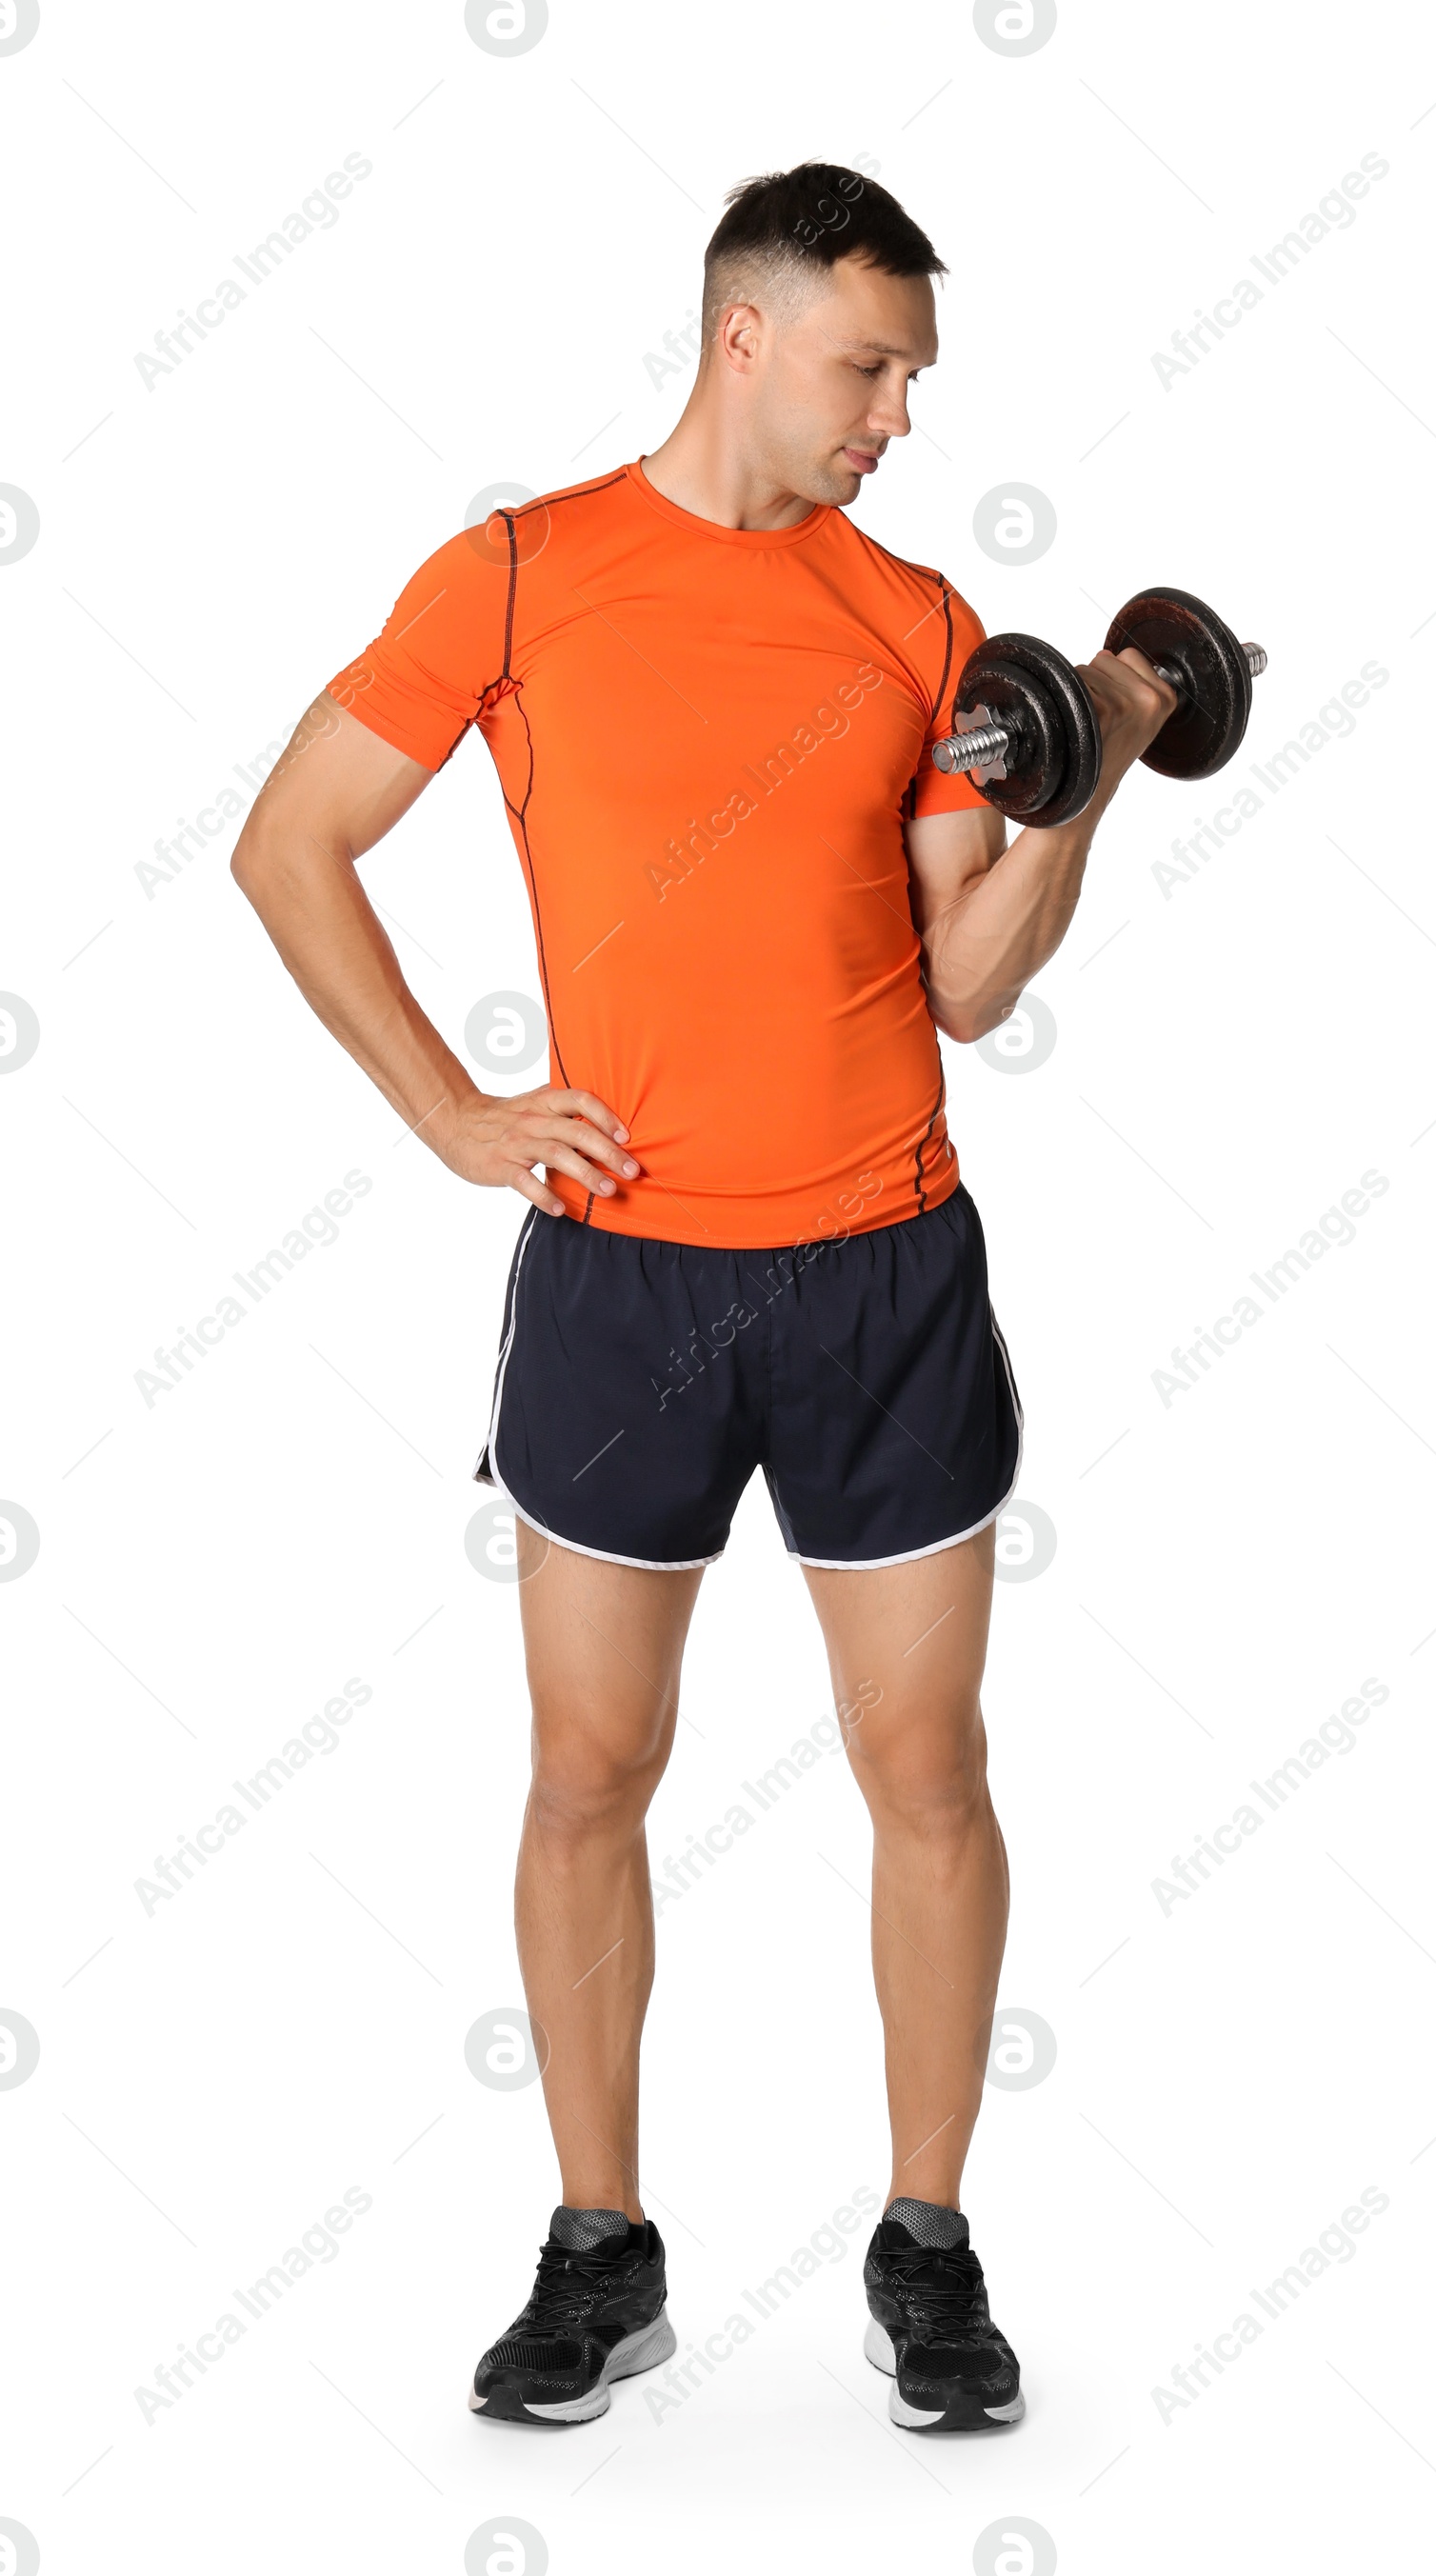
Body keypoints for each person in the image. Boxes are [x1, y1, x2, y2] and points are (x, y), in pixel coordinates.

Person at [230, 161, 1176, 2435]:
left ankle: (924, 2246)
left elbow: (965, 983)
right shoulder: (521, 573)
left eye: (913, 381)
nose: (893, 419)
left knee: (921, 1766)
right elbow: (291, 840)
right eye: (869, 369)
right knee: (587, 1768)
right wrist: (459, 1114)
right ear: (741, 333)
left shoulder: (920, 621)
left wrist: (1091, 780)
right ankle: (598, 2246)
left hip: (881, 1267)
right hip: (621, 1284)